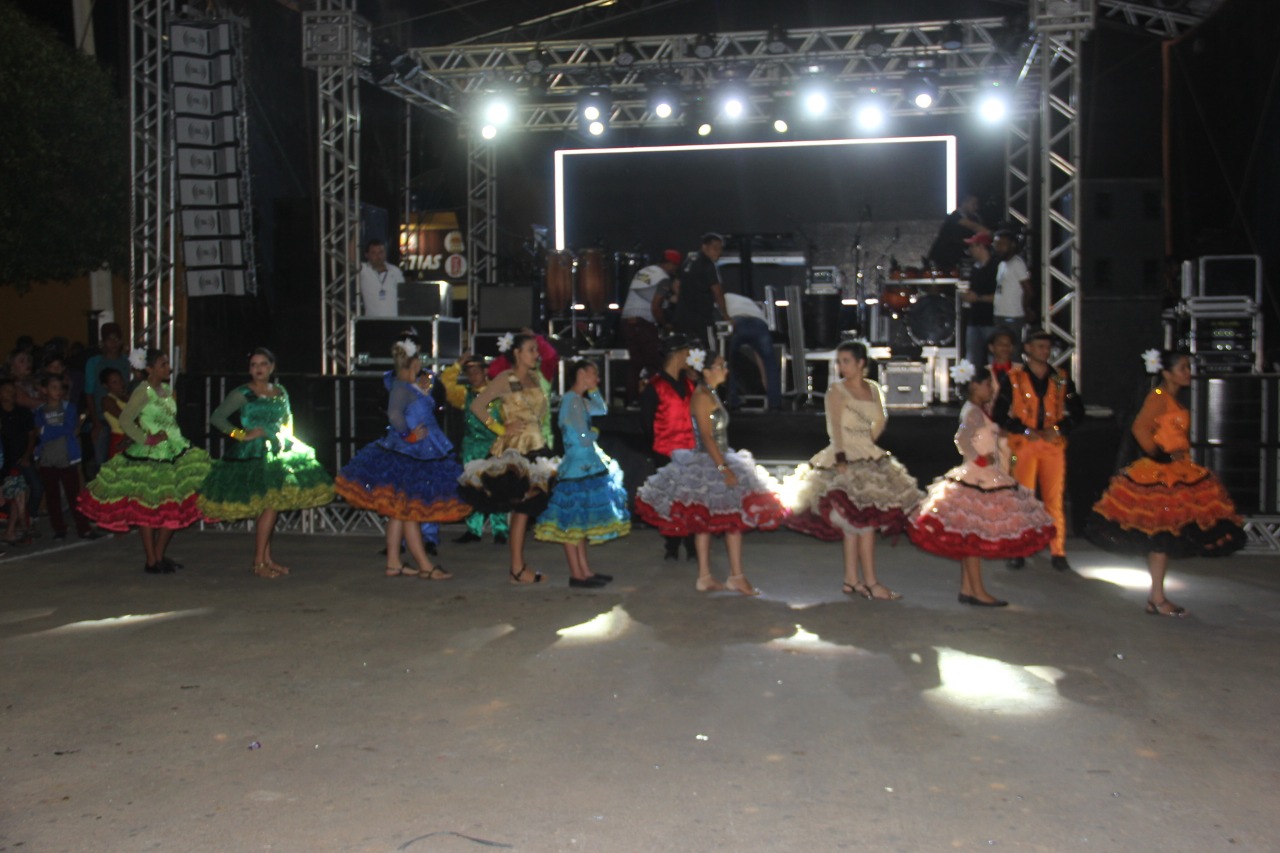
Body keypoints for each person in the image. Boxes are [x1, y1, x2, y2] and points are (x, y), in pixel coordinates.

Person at [1086, 350, 1246, 616]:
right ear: (1166, 373)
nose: (1188, 373)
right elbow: (1139, 428)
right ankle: (1157, 598)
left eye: (1188, 367)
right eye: (1182, 368)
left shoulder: (1169, 397)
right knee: (1161, 534)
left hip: (1178, 471)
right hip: (1162, 474)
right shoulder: (1158, 396)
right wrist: (1160, 455)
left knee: (1165, 535)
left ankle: (1156, 597)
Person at [635, 350, 786, 594]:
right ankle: (731, 576)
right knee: (728, 520)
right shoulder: (702, 396)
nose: (725, 370)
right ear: (706, 371)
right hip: (709, 462)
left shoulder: (710, 393)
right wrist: (723, 468)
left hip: (717, 457)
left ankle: (713, 576)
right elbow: (706, 437)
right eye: (720, 366)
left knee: (713, 521)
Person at [783, 341, 923, 600]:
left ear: (861, 363)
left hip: (867, 452)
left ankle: (851, 580)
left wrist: (867, 444)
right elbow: (834, 427)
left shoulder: (873, 388)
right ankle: (871, 583)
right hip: (843, 454)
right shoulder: (836, 390)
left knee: (859, 522)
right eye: (839, 361)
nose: (841, 366)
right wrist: (841, 457)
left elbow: (880, 420)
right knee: (862, 522)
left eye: (846, 361)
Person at [908, 362, 1055, 607]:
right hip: (978, 476)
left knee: (971, 536)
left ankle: (969, 588)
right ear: (974, 386)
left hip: (983, 474)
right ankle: (977, 590)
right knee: (973, 536)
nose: (990, 389)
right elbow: (962, 439)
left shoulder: (978, 409)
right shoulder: (973, 412)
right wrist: (978, 458)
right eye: (987, 384)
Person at [335, 337, 468, 579]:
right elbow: (394, 414)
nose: (422, 363)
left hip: (419, 452)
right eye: (419, 359)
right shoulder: (400, 387)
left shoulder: (413, 384)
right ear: (413, 362)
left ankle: (394, 563)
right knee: (409, 512)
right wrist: (409, 435)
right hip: (409, 454)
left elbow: (421, 401)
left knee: (399, 512)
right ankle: (425, 566)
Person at [199, 348, 335, 579]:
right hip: (253, 453)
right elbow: (217, 418)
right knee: (270, 506)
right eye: (253, 365)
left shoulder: (280, 391)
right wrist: (240, 435)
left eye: (263, 364)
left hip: (277, 450)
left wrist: (288, 440)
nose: (258, 369)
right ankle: (258, 562)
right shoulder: (243, 392)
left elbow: (288, 419)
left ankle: (267, 559)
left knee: (271, 506)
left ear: (272, 367)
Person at [79, 348, 211, 573]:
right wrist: (147, 439)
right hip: (151, 454)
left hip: (173, 450)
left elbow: (170, 421)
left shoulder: (167, 390)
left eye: (167, 363)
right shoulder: (143, 391)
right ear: (149, 369)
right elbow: (126, 420)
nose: (167, 368)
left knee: (173, 503)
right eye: (162, 364)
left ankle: (158, 556)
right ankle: (151, 559)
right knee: (147, 506)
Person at [459, 332, 558, 584]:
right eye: (531, 350)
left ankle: (518, 567)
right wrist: (500, 428)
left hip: (537, 447)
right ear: (517, 353)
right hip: (517, 450)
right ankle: (517, 568)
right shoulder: (505, 378)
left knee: (525, 509)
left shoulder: (535, 378)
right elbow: (477, 406)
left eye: (536, 350)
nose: (536, 354)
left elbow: (540, 414)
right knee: (521, 508)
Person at [992, 330, 1084, 572]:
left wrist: (1059, 428)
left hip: (1052, 446)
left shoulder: (1060, 378)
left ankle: (1058, 550)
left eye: (1047, 347)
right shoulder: (1014, 378)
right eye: (1040, 346)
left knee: (1054, 498)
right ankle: (1019, 549)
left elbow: (1078, 411)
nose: (1045, 351)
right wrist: (1023, 429)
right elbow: (999, 413)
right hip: (1025, 444)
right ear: (1028, 349)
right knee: (1023, 498)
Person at [534, 360, 630, 587]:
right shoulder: (571, 401)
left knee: (579, 523)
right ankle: (577, 574)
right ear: (580, 374)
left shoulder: (577, 400)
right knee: (572, 523)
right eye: (593, 373)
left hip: (584, 466)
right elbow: (583, 437)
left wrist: (593, 389)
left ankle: (584, 571)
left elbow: (601, 409)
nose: (598, 378)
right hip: (577, 468)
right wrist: (594, 432)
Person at [638, 335, 696, 561]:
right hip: (666, 452)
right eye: (686, 352)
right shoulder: (655, 386)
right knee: (670, 500)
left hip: (690, 451)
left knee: (690, 499)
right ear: (678, 355)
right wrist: (659, 446)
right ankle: (672, 544)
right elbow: (646, 422)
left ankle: (691, 544)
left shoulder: (690, 384)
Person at [441, 354, 510, 545]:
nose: (473, 375)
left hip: (494, 447)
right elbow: (446, 383)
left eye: (476, 371)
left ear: (485, 371)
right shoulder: (465, 395)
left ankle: (500, 530)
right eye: (469, 372)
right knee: (473, 488)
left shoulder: (497, 394)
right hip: (471, 448)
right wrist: (458, 364)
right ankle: (474, 529)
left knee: (496, 488)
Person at [33, 374, 98, 540]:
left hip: (67, 458)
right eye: (53, 387)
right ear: (44, 390)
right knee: (52, 496)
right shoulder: (40, 411)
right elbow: (39, 433)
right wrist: (50, 431)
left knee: (74, 495)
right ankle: (59, 529)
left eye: (60, 387)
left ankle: (83, 528)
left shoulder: (69, 408)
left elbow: (69, 428)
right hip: (47, 459)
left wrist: (46, 430)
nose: (58, 391)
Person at [619, 249, 682, 403]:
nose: (674, 270)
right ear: (671, 264)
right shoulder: (664, 279)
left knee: (635, 364)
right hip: (642, 323)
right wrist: (665, 324)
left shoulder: (644, 271)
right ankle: (656, 399)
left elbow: (646, 295)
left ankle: (631, 400)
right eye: (675, 267)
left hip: (626, 322)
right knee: (655, 363)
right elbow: (655, 306)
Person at [671, 232, 732, 351]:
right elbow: (717, 292)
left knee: (686, 352)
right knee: (708, 352)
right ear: (704, 246)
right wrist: (725, 315)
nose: (718, 252)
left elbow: (675, 285)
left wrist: (684, 298)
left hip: (681, 317)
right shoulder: (708, 265)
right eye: (715, 248)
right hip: (701, 319)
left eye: (720, 249)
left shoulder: (689, 260)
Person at [723, 291, 782, 411]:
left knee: (727, 360)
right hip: (759, 322)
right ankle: (775, 402)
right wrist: (764, 379)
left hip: (737, 320)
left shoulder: (721, 298)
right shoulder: (745, 300)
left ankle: (733, 401)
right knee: (770, 363)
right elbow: (759, 356)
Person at [84, 323, 132, 467]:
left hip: (122, 415)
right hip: (101, 417)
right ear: (103, 342)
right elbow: (89, 393)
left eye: (117, 339)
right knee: (102, 461)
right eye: (110, 339)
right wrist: (96, 422)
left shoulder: (126, 362)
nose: (114, 343)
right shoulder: (94, 362)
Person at [0, 379, 34, 546]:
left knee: (19, 491)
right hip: (4, 465)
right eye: (7, 390)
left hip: (9, 464)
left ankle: (14, 529)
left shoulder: (21, 412)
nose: (12, 393)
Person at [959, 232, 999, 366]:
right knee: (972, 359)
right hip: (975, 320)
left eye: (972, 246)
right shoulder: (975, 268)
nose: (970, 250)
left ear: (982, 246)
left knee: (994, 358)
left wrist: (978, 298)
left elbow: (1002, 296)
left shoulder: (996, 267)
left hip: (991, 320)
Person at [927, 192, 989, 273]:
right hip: (943, 258)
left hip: (958, 259)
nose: (976, 207)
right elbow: (974, 227)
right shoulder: (954, 217)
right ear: (964, 203)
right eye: (973, 204)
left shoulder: (975, 218)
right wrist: (990, 233)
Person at [992, 230, 1032, 343]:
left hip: (1013, 315)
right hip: (999, 314)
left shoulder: (1017, 263)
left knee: (1012, 347)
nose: (998, 248)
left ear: (1012, 245)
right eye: (996, 244)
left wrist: (1025, 308)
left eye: (1002, 244)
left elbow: (1028, 290)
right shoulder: (1001, 264)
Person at [358, 238, 404, 318]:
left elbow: (404, 295)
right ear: (367, 255)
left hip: (393, 321)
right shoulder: (364, 270)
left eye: (381, 252)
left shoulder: (395, 271)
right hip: (372, 321)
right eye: (374, 253)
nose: (378, 256)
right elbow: (350, 261)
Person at [99, 368, 130, 459]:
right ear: (106, 385)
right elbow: (125, 418)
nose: (119, 384)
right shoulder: (107, 400)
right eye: (114, 382)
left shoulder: (126, 397)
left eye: (120, 380)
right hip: (120, 438)